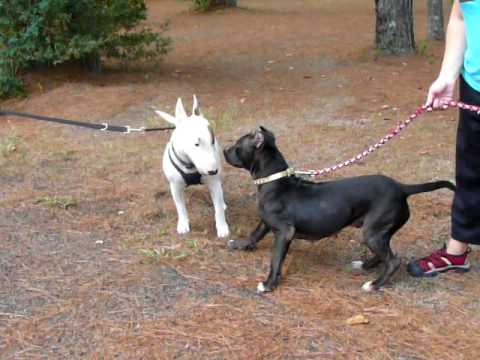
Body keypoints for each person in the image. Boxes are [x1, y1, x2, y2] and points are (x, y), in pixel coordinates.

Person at [407, 0, 480, 277]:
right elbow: (462, 17)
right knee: (471, 171)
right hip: (475, 86)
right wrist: (448, 75)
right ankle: (456, 252)